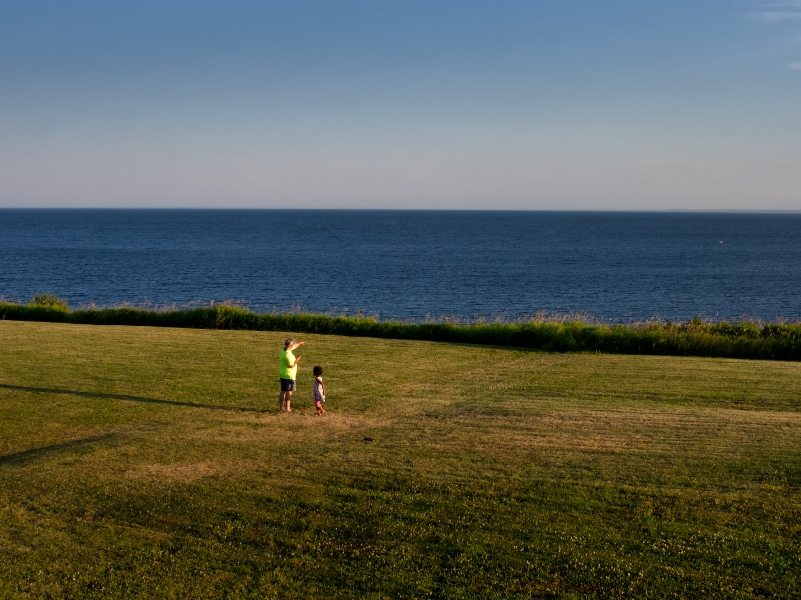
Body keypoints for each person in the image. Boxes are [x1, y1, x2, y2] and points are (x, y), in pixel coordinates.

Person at [279, 338, 304, 412]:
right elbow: (291, 366)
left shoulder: (283, 350)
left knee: (282, 391)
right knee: (289, 391)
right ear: (290, 345)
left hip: (282, 374)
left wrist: (299, 343)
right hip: (289, 375)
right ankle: (287, 408)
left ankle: (281, 408)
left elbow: (293, 347)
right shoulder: (288, 355)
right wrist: (297, 360)